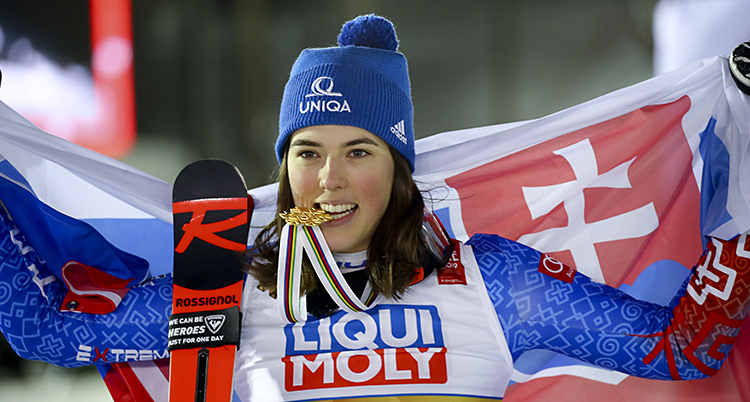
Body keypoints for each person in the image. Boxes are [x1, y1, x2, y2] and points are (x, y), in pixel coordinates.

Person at [1, 13, 750, 402]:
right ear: (284, 169)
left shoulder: (490, 281)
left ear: (400, 170)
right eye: (307, 153)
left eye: (359, 152)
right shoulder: (223, 291)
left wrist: (743, 207)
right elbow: (42, 329)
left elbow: (678, 347)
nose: (329, 179)